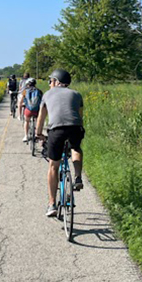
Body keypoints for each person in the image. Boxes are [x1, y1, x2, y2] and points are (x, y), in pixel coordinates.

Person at [36, 69, 84, 217]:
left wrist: (38, 134)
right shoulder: (76, 94)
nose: (50, 84)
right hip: (75, 128)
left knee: (53, 166)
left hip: (56, 131)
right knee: (76, 148)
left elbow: (41, 117)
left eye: (50, 81)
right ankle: (77, 177)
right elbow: (80, 117)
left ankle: (52, 204)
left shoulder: (47, 95)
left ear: (56, 81)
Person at [19, 78, 43, 142]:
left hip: (28, 111)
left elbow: (21, 101)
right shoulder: (39, 91)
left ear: (27, 84)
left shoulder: (25, 91)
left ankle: (26, 136)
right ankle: (37, 134)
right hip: (37, 110)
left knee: (27, 121)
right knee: (38, 121)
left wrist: (21, 106)